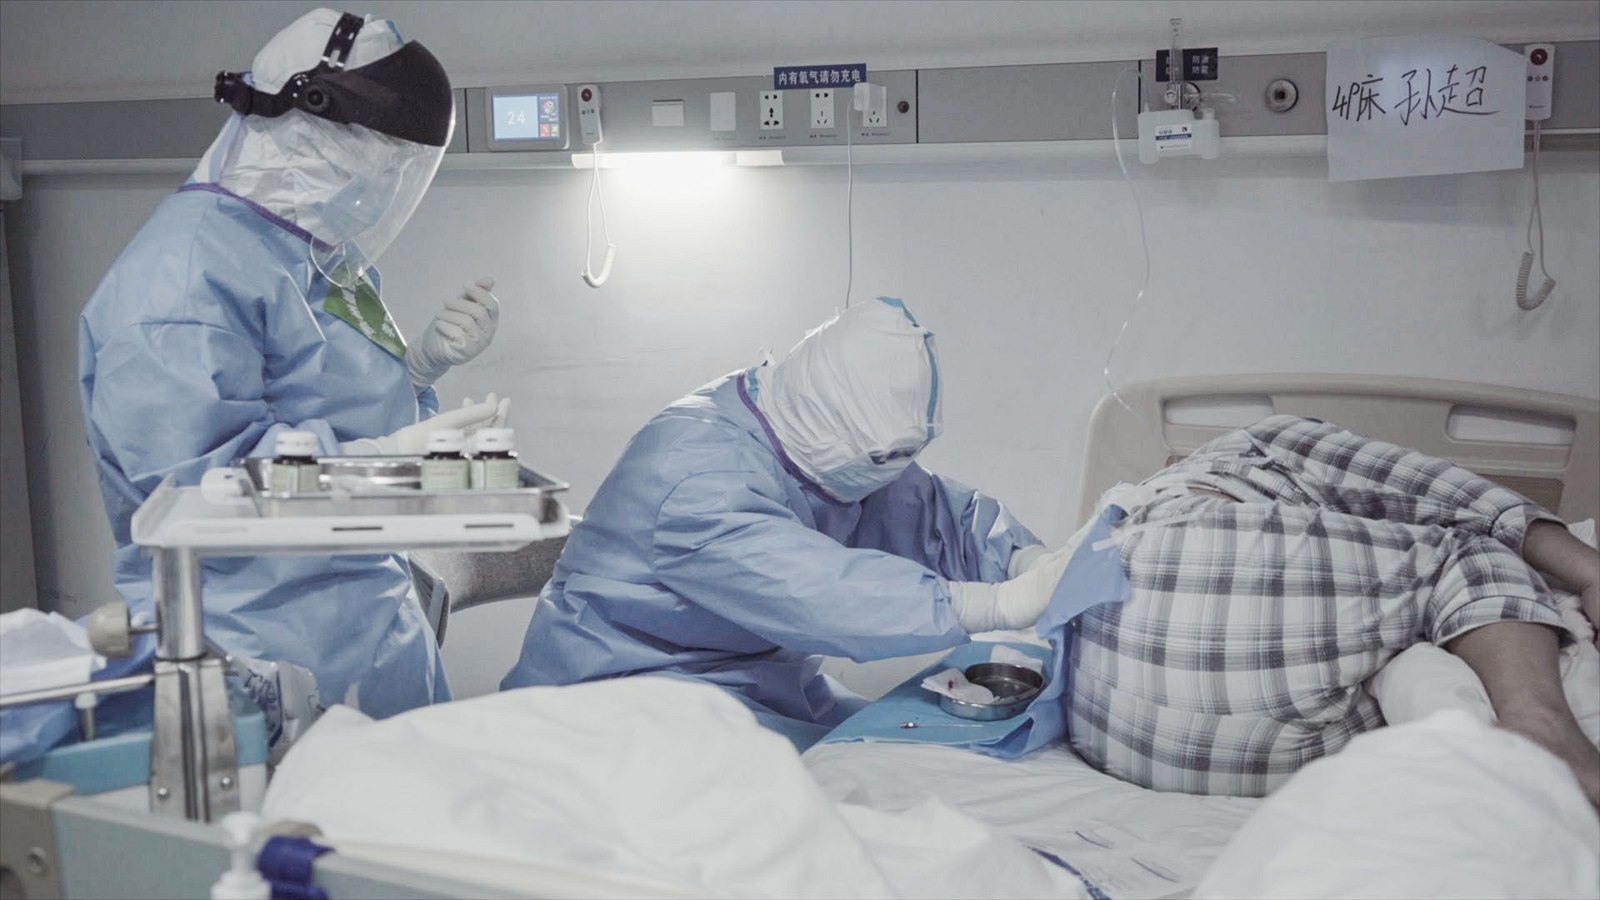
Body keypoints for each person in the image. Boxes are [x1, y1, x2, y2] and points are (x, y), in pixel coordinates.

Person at [78, 8, 509, 718]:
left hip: (369, 625)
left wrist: (416, 374)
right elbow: (202, 497)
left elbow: (332, 398)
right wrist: (387, 462)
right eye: (377, 154)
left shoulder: (313, 248)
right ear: (303, 125)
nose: (383, 180)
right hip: (257, 655)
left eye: (400, 164)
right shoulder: (178, 284)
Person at [501, 297, 1074, 750]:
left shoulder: (811, 432)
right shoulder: (691, 474)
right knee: (838, 800)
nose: (892, 475)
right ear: (824, 423)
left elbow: (932, 513)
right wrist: (992, 605)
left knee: (901, 756)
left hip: (752, 686)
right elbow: (816, 591)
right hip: (619, 697)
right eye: (882, 460)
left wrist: (1021, 558)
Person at [1064, 414, 1600, 806]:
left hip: (1114, 730)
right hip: (1205, 568)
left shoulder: (1137, 499)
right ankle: (1540, 724)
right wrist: (1587, 570)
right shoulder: (1273, 437)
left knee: (1393, 680)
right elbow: (1454, 496)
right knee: (1470, 553)